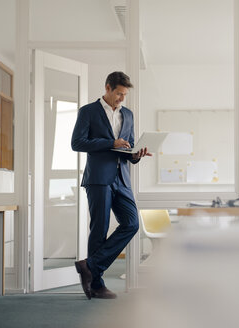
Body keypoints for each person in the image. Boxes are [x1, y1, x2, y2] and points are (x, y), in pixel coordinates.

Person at [71, 71, 151, 299]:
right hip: (98, 178)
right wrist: (110, 143)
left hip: (122, 178)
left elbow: (129, 147)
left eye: (125, 95)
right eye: (119, 94)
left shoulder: (128, 114)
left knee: (132, 223)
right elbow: (77, 143)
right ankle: (96, 284)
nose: (122, 99)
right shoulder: (88, 111)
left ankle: (90, 265)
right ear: (107, 88)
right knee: (99, 229)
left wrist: (137, 154)